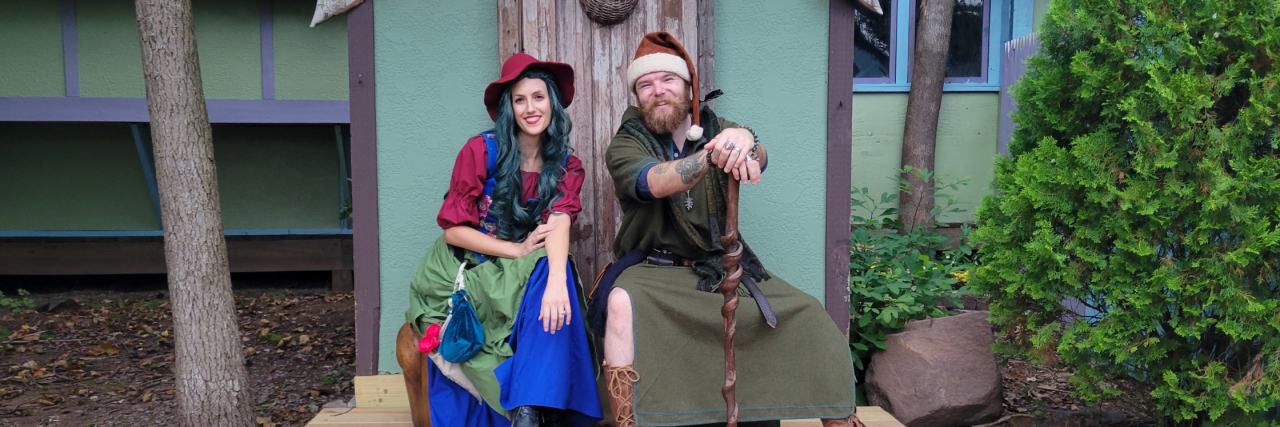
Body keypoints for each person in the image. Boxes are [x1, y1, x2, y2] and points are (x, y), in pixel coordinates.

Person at [591, 32, 864, 427]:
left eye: (668, 81)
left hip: (720, 269)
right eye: (645, 85)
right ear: (637, 96)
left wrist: (746, 140)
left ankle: (839, 418)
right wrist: (716, 155)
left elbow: (760, 156)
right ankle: (628, 421)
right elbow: (653, 181)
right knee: (619, 306)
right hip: (655, 272)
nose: (658, 91)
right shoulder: (626, 142)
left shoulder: (719, 127)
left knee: (809, 315)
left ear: (689, 87)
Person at [404, 53, 603, 427]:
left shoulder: (567, 166)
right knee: (543, 264)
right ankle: (542, 411)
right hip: (464, 270)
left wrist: (559, 283)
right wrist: (516, 249)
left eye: (539, 97)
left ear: (553, 103)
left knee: (554, 269)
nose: (531, 108)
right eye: (520, 99)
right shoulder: (481, 150)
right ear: (509, 108)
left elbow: (560, 223)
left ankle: (528, 413)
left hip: (521, 272)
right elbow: (453, 230)